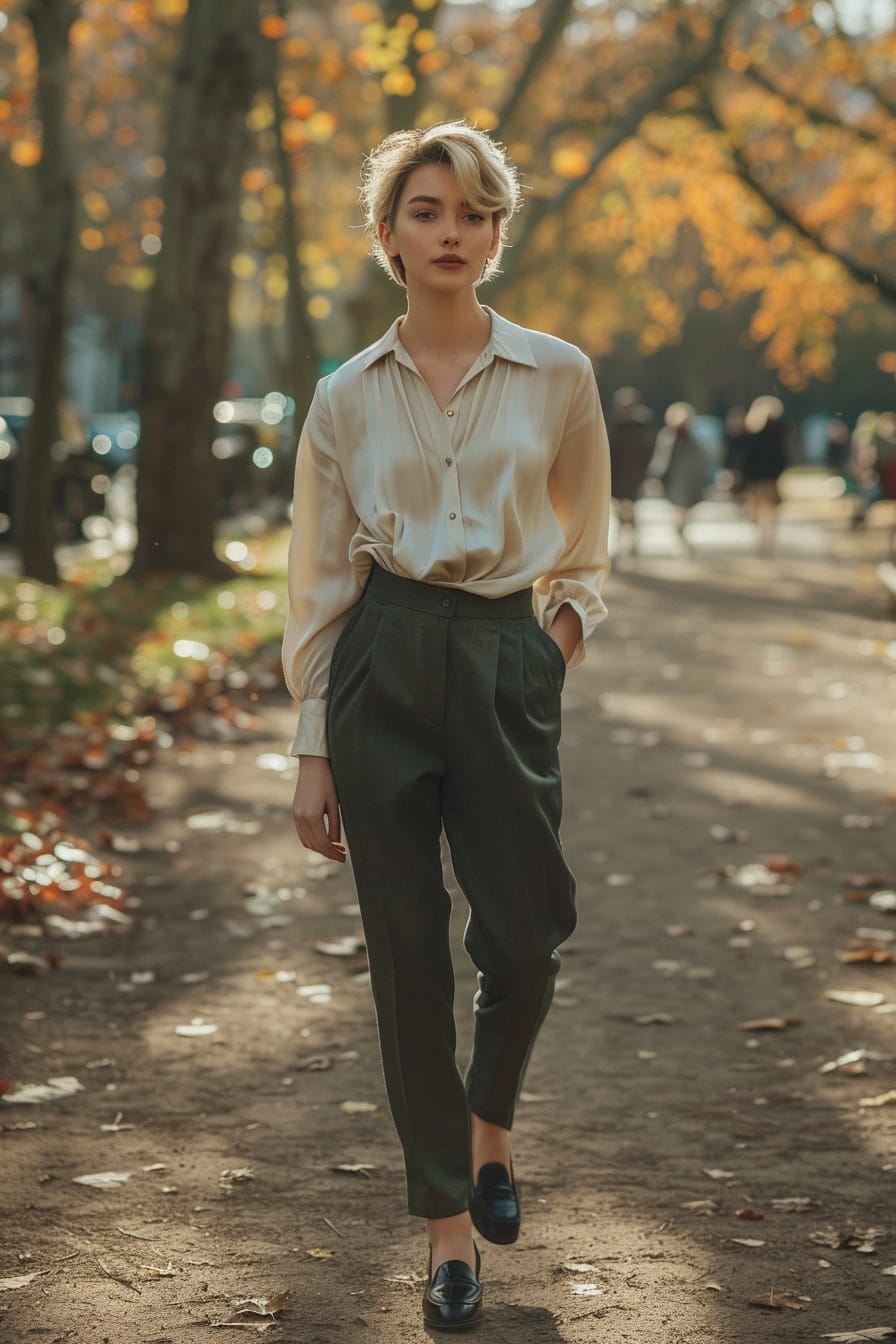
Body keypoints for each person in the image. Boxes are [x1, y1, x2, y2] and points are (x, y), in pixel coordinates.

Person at [282, 122, 610, 1331]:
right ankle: (443, 1229)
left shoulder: (557, 375)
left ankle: (488, 1129)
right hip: (381, 657)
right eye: (425, 210)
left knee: (526, 936)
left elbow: (585, 552)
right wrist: (311, 745)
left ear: (496, 235)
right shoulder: (340, 398)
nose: (451, 232)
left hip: (501, 653)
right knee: (406, 959)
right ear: (388, 235)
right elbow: (317, 581)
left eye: (473, 212)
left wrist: (544, 658)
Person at [646, 401, 707, 555]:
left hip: (688, 481)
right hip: (674, 480)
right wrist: (655, 477)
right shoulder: (667, 437)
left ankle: (682, 537)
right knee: (678, 513)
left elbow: (700, 461)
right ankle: (681, 537)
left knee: (684, 514)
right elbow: (660, 459)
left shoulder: (693, 439)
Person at [608, 386, 654, 556]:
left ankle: (631, 542)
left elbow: (647, 451)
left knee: (629, 510)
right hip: (617, 476)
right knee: (620, 511)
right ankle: (623, 542)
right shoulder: (615, 425)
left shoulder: (641, 426)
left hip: (633, 476)